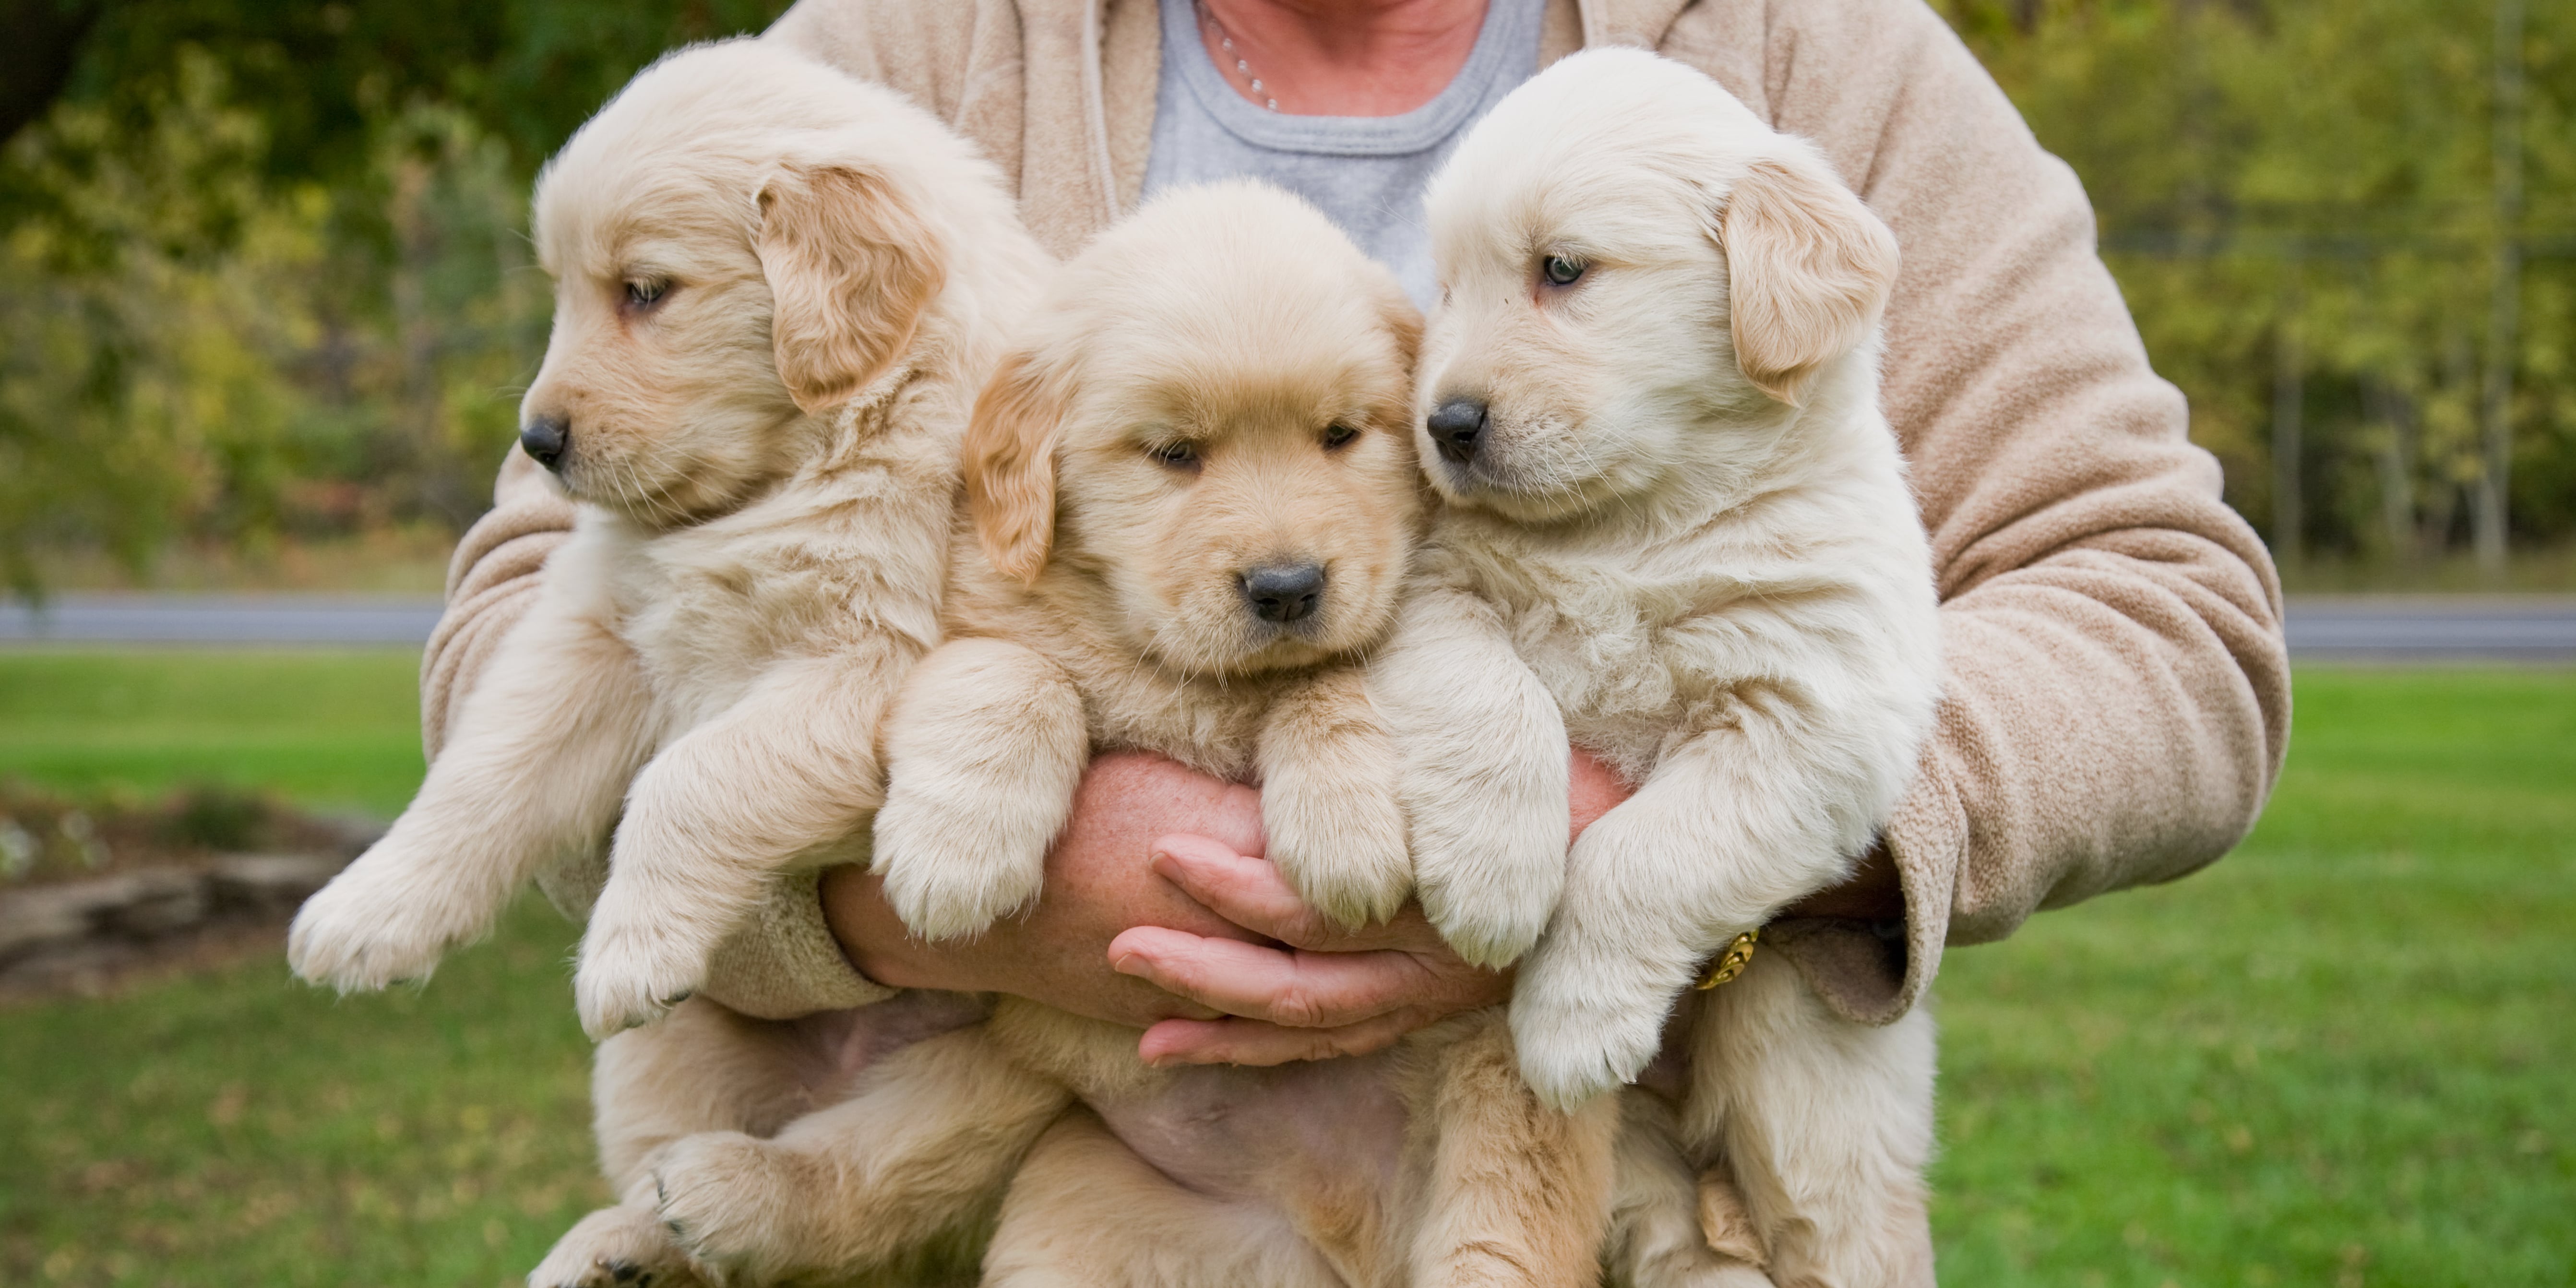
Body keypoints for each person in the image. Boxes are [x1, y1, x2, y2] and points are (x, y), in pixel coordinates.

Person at [428, 0, 2286, 1118]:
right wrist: (895, 898)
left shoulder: (1803, 55)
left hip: (1602, 1182)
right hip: (1022, 1180)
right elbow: (528, 620)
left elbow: (2159, 612)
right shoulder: (901, 53)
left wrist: (1692, 845)